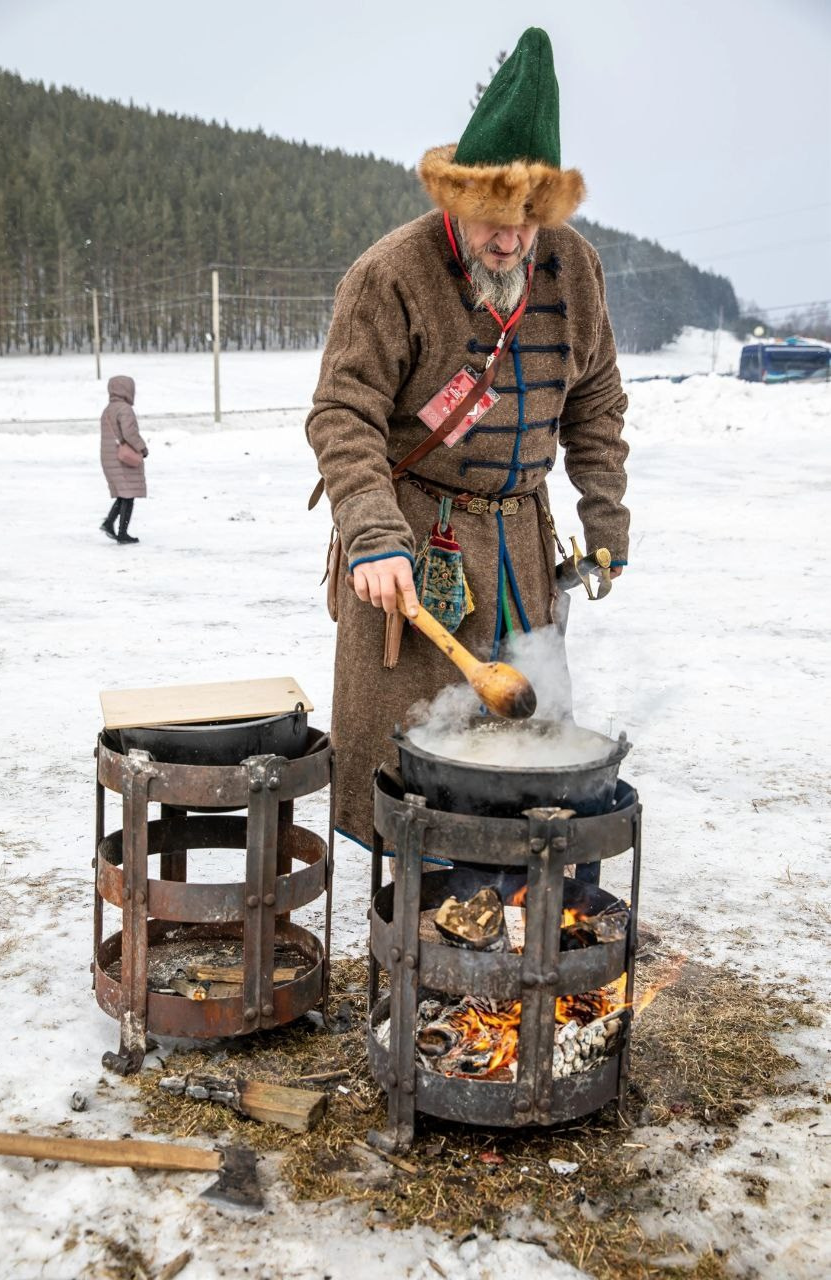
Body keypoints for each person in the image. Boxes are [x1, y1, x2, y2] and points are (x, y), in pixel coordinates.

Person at [306, 27, 629, 849]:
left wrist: (606, 523)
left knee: (523, 751)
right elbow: (342, 414)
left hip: (522, 537)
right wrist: (372, 537)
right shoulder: (391, 272)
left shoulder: (574, 267)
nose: (510, 239)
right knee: (407, 752)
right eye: (493, 216)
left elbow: (595, 399)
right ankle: (414, 904)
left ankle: (510, 888)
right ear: (456, 198)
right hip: (412, 536)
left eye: (529, 218)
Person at [100, 375, 148, 544]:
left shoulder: (108, 409)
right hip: (122, 458)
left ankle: (109, 523)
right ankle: (122, 532)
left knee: (123, 494)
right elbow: (129, 433)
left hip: (110, 456)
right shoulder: (124, 409)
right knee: (128, 495)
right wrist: (142, 447)